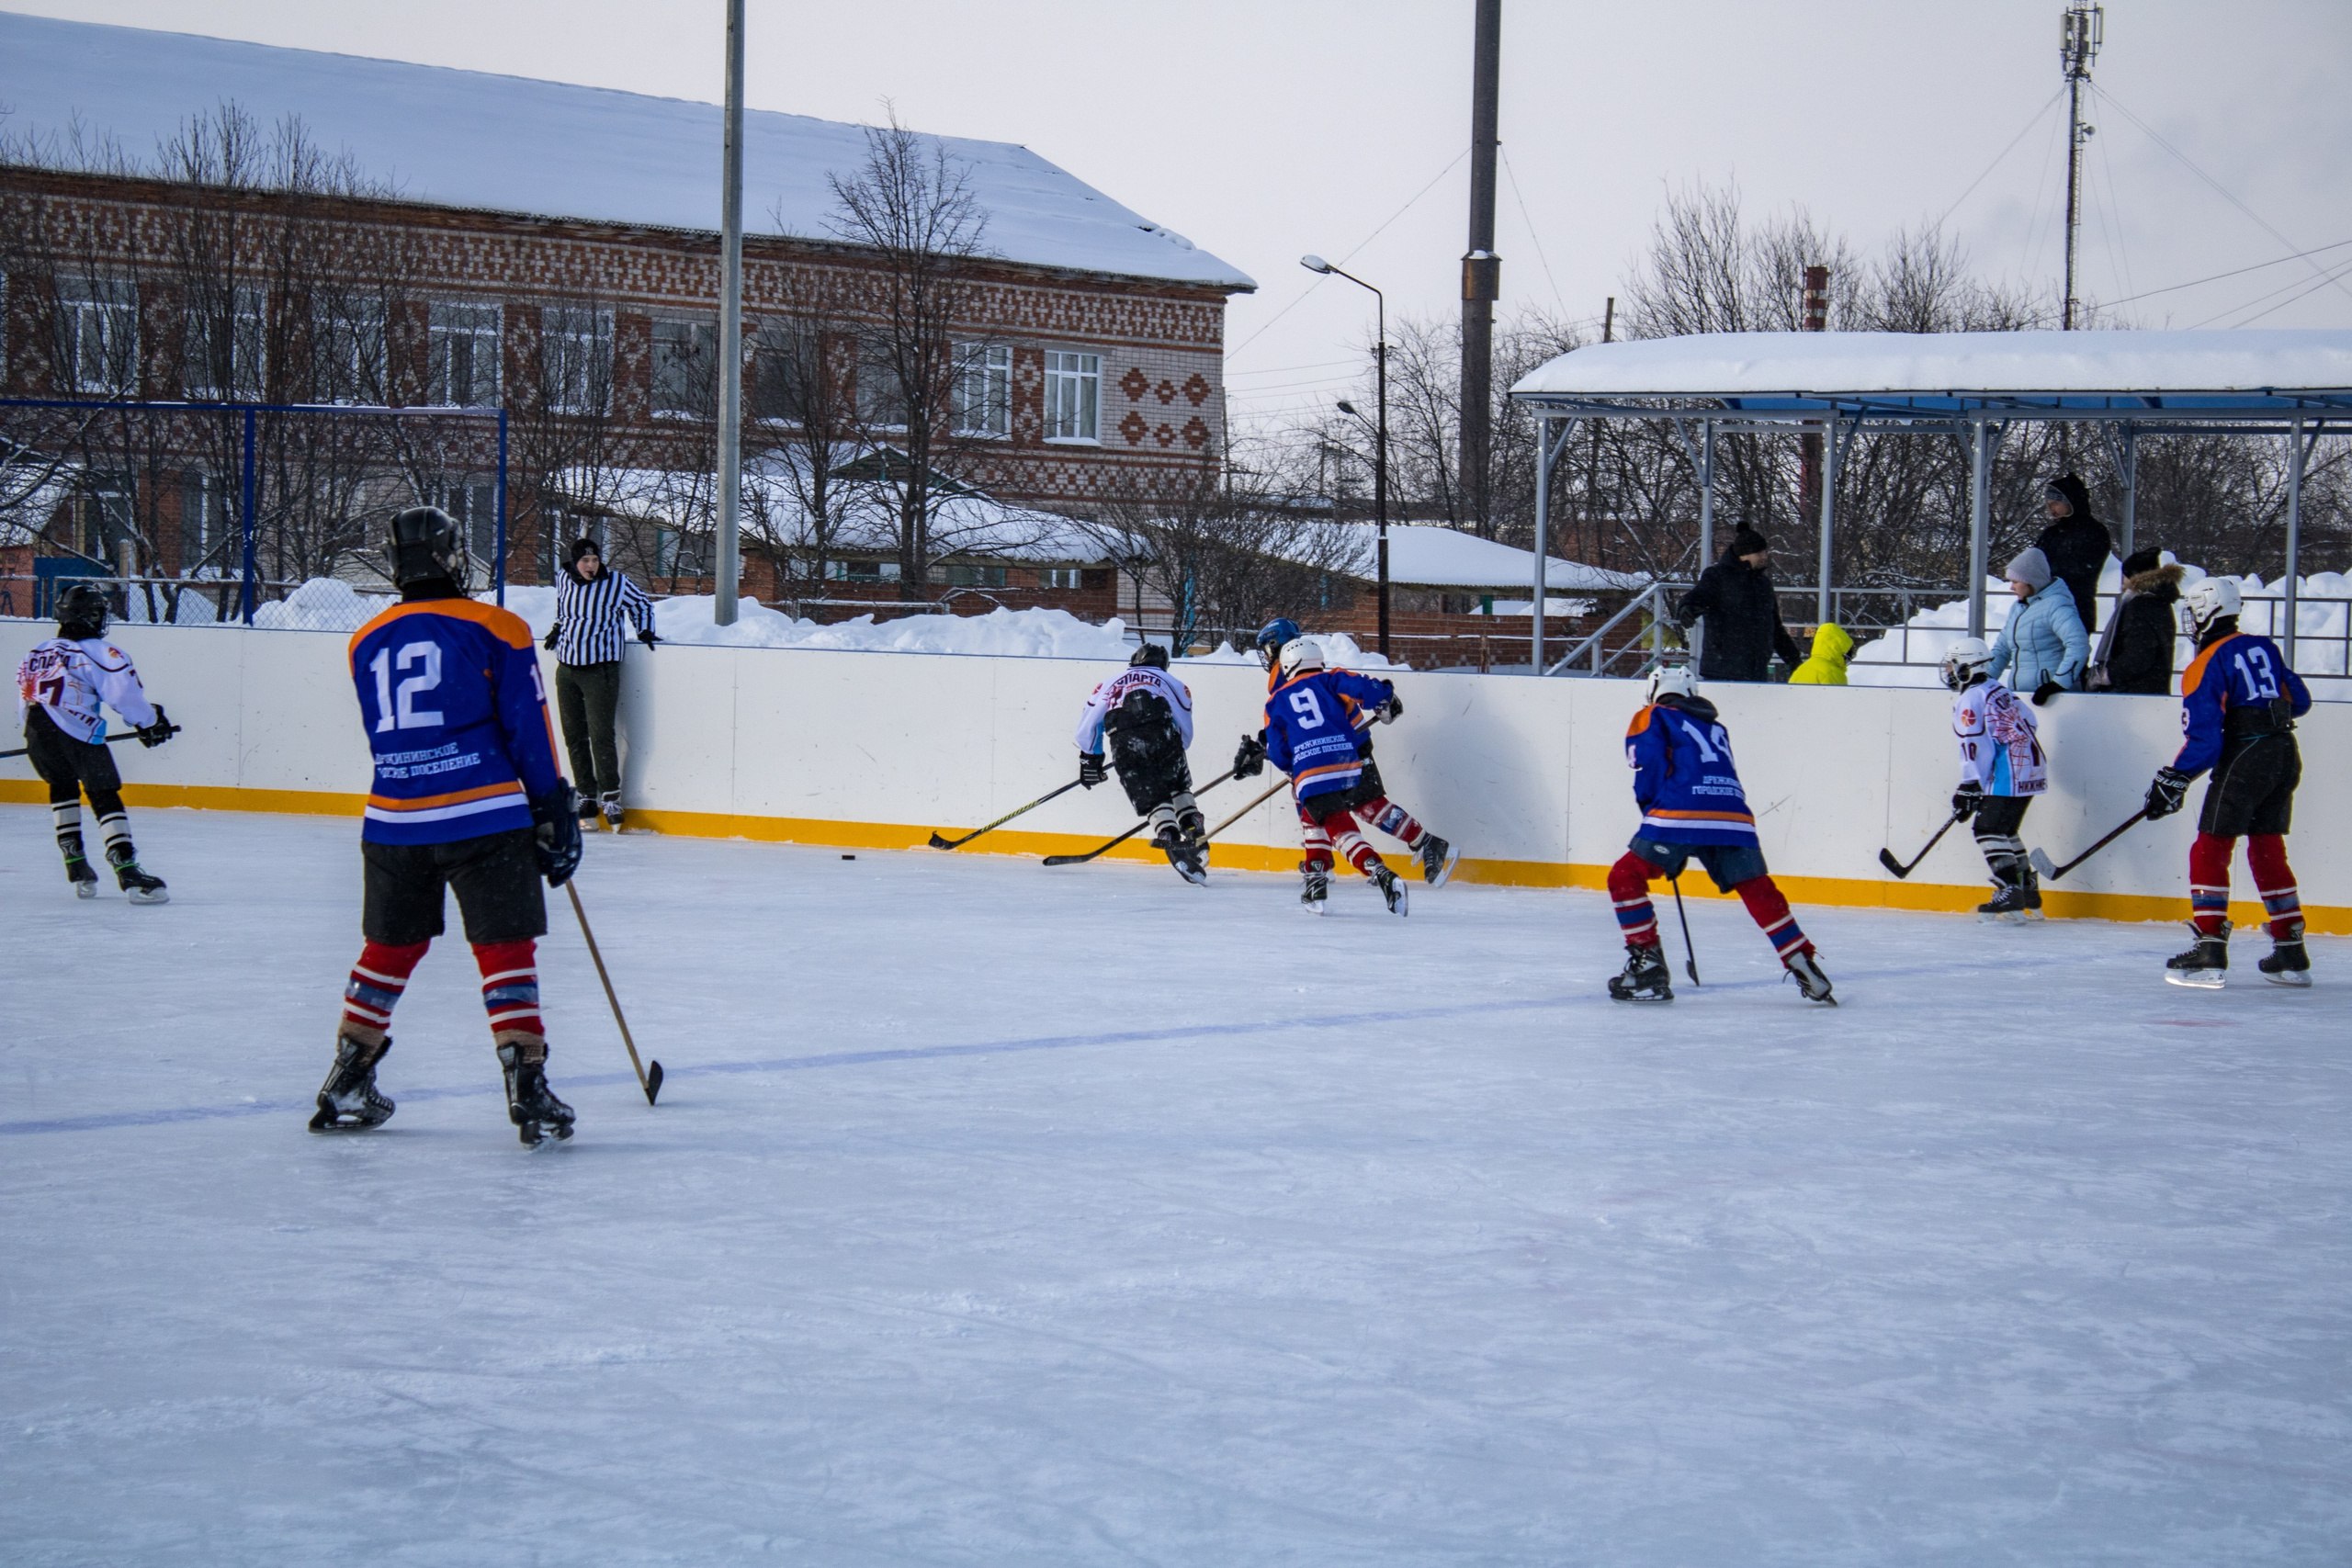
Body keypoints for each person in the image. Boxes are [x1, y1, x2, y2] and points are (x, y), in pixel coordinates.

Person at [313, 506, 585, 1145]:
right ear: (450, 556)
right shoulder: (498, 626)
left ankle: (348, 1074)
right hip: (482, 813)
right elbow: (528, 725)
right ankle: (528, 1084)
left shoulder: (364, 639)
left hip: (392, 819)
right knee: (503, 946)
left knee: (389, 948)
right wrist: (550, 804)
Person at [1604, 664, 1834, 1003]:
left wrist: (1651, 812)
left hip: (1678, 812)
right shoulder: (1715, 726)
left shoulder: (1651, 715)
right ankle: (1802, 958)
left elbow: (1648, 763)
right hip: (1733, 817)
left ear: (1653, 693)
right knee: (1756, 888)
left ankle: (1647, 965)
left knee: (1624, 877)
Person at [2143, 575, 2312, 988]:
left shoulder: (2206, 662)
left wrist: (2174, 777)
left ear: (2205, 611)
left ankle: (2209, 947)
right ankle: (2291, 948)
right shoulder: (2262, 646)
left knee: (2209, 848)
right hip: (2284, 752)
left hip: (2246, 755)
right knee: (2267, 847)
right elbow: (2301, 701)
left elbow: (2205, 737)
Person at [1236, 620, 1458, 910]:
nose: (1265, 657)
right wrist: (1384, 697)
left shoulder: (1284, 674)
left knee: (1328, 806)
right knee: (1366, 806)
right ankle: (1423, 843)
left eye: (1266, 648)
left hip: (1339, 748)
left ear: (1277, 646)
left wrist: (1266, 751)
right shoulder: (1314, 667)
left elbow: (1285, 724)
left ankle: (1321, 865)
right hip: (1348, 747)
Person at [13, 581, 175, 903]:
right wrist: (150, 721)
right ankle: (127, 870)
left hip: (35, 728)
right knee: (103, 793)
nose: (102, 619)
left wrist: (37, 735)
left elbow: (26, 695)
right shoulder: (97, 651)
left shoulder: (38, 651)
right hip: (74, 729)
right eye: (99, 613)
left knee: (62, 787)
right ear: (88, 617)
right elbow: (123, 695)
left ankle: (75, 864)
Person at [543, 536, 658, 832]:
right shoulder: (562, 579)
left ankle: (610, 797)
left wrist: (645, 630)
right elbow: (564, 610)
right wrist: (558, 628)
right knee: (573, 735)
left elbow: (642, 604)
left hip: (600, 668)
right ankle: (586, 796)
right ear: (575, 562)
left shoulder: (616, 582)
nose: (591, 566)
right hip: (566, 668)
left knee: (600, 734)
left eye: (595, 560)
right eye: (585, 561)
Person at [1074, 643, 1207, 884]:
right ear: (1164, 665)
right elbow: (1184, 729)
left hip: (1124, 738)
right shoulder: (1174, 683)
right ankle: (1192, 823)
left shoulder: (1111, 682)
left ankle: (1169, 834)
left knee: (1153, 797)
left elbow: (1089, 724)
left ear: (1134, 661)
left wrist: (1091, 757)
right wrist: (1173, 750)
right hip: (1164, 733)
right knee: (1176, 785)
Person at [1942, 636, 2048, 920]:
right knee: (2005, 830)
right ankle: (2026, 890)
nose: (1949, 672)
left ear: (1966, 666)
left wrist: (1970, 783)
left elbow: (1974, 744)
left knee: (1986, 829)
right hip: (2030, 769)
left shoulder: (1971, 697)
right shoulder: (1997, 688)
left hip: (2008, 771)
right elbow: (2031, 720)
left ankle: (2010, 889)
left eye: (1953, 666)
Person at [1673, 527, 1801, 682]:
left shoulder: (1763, 584)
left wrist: (1793, 659)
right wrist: (1686, 608)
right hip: (1721, 672)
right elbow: (1698, 596)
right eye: (1759, 553)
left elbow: (1774, 628)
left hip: (1756, 671)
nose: (1764, 557)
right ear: (1743, 554)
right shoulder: (1717, 576)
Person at [1985, 547, 2086, 704]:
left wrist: (2058, 684)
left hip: (2054, 699)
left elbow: (2079, 644)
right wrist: (1983, 680)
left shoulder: (2056, 605)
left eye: (2015, 582)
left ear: (2030, 581)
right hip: (2022, 697)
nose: (2011, 587)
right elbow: (2002, 650)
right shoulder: (2018, 608)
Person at [2088, 548, 2182, 694]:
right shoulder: (2161, 603)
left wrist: (2108, 675)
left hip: (2133, 693)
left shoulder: (2140, 606)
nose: (2123, 582)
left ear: (2134, 577)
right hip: (2153, 688)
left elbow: (2138, 656)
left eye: (2125, 576)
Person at [2036, 474, 2114, 646]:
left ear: (2071, 501)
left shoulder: (2095, 532)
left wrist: (2049, 572)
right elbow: (2033, 562)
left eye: (2055, 504)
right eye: (2049, 505)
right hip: (2045, 608)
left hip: (2077, 607)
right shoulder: (2050, 534)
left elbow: (2082, 568)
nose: (2051, 509)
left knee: (2072, 661)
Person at [1786, 622, 1853, 685]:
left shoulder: (1800, 670)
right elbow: (1839, 696)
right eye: (1847, 659)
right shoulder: (1832, 673)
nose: (1845, 663)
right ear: (1841, 654)